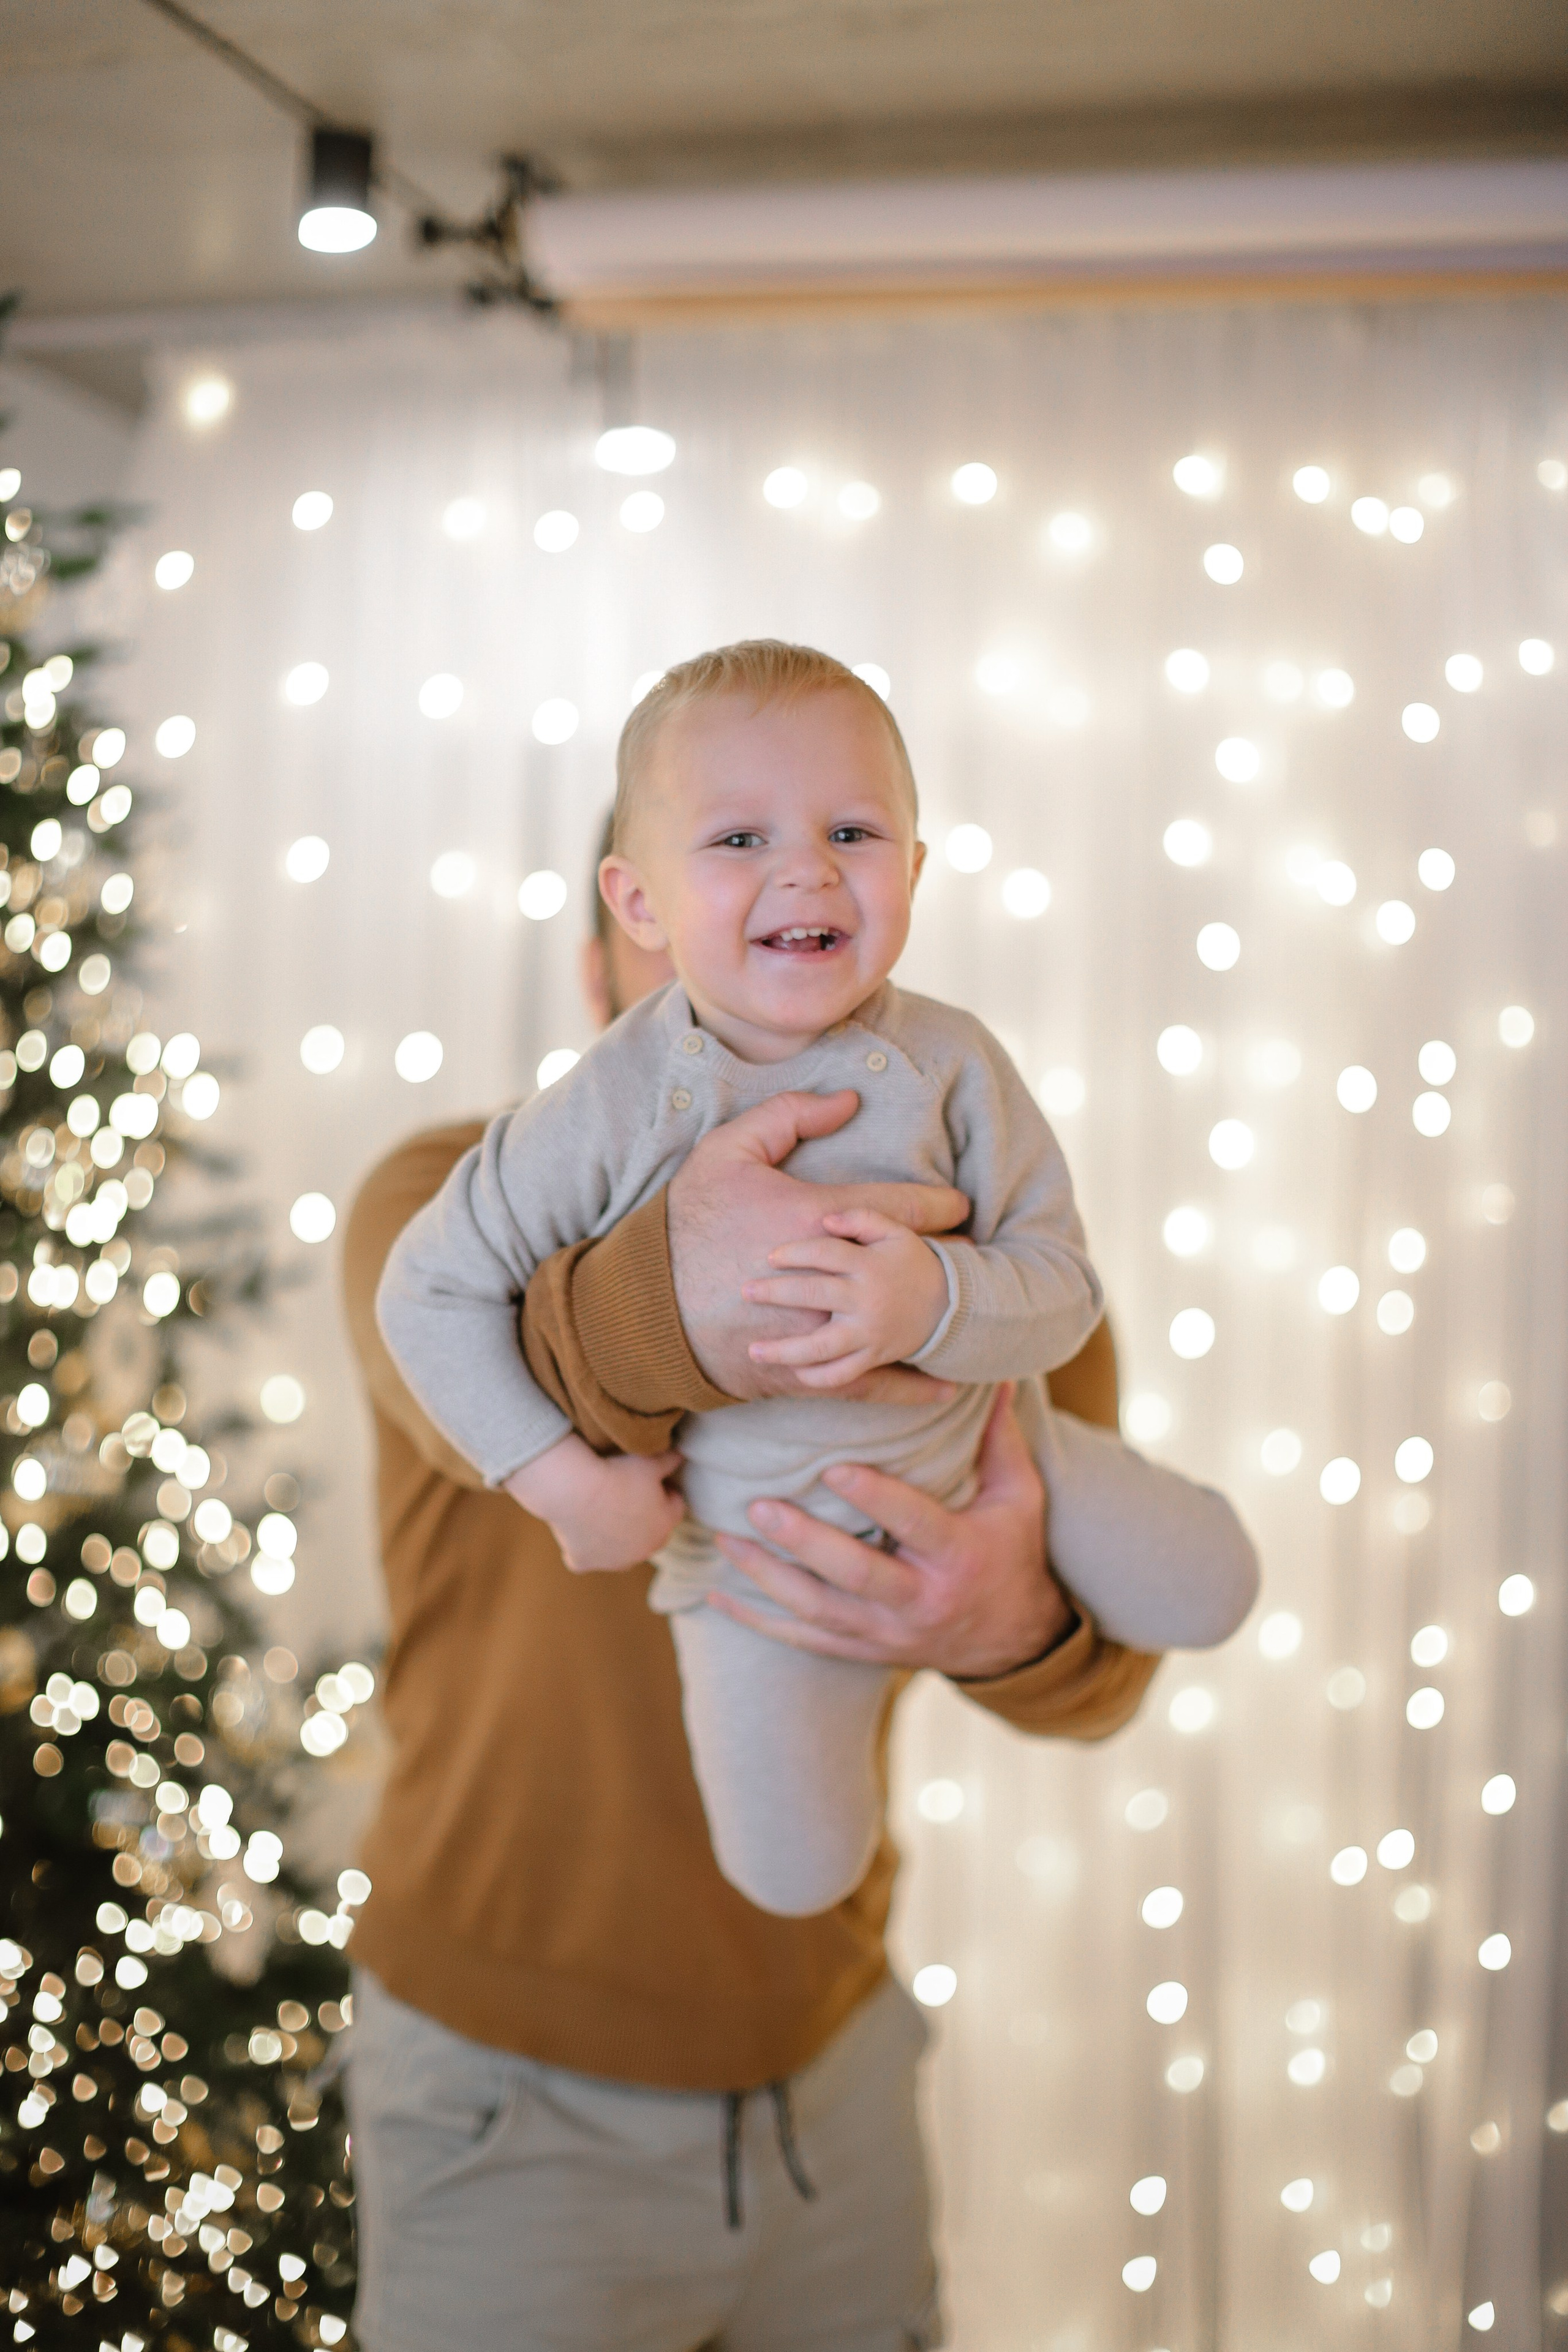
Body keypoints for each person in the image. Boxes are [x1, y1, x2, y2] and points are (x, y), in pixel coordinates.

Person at [341, 778, 1258, 2352]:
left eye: (825, 878)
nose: (761, 997)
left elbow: (1095, 1682)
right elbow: (496, 1383)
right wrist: (702, 1257)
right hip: (511, 2100)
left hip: (831, 2077)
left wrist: (1004, 1615)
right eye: (713, 923)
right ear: (611, 958)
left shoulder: (958, 1239)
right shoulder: (435, 1198)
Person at [375, 641, 1254, 1918]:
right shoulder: (567, 1125)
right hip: (740, 1564)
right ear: (634, 911)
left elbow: (1062, 1290)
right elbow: (426, 1299)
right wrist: (568, 1482)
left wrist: (937, 1317)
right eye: (735, 840)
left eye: (853, 829)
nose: (805, 868)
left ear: (912, 869)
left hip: (977, 1456)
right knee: (792, 1870)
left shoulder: (950, 1065)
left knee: (1216, 1583)